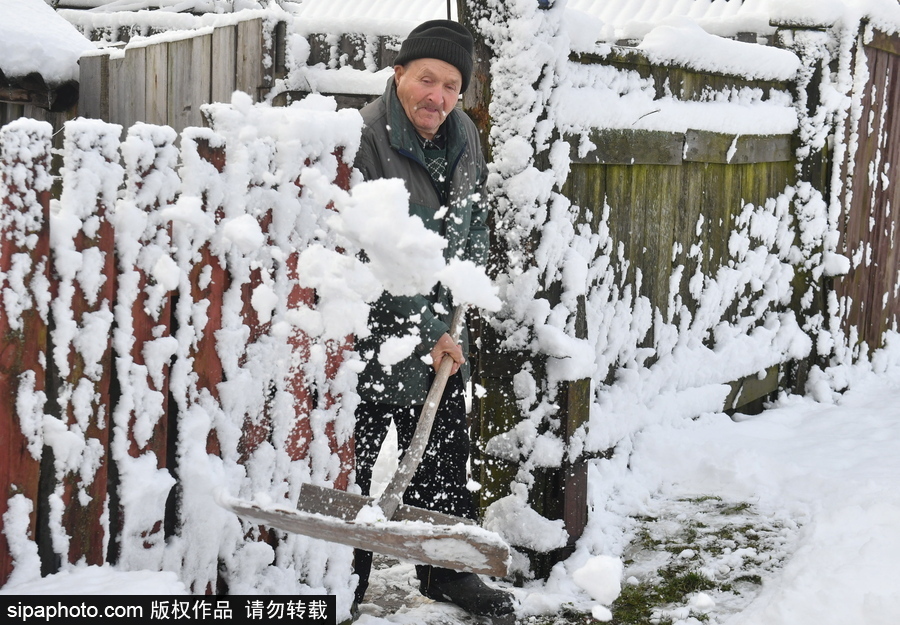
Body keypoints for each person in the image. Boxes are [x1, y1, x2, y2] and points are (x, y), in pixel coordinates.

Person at [351, 19, 515, 619]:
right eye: (427, 79)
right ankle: (344, 579)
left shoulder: (463, 133)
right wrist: (430, 331)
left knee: (445, 461)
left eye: (451, 86)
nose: (438, 97)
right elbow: (374, 254)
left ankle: (446, 572)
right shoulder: (364, 140)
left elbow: (473, 222)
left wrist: (460, 303)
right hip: (370, 341)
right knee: (352, 468)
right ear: (398, 74)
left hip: (440, 336)